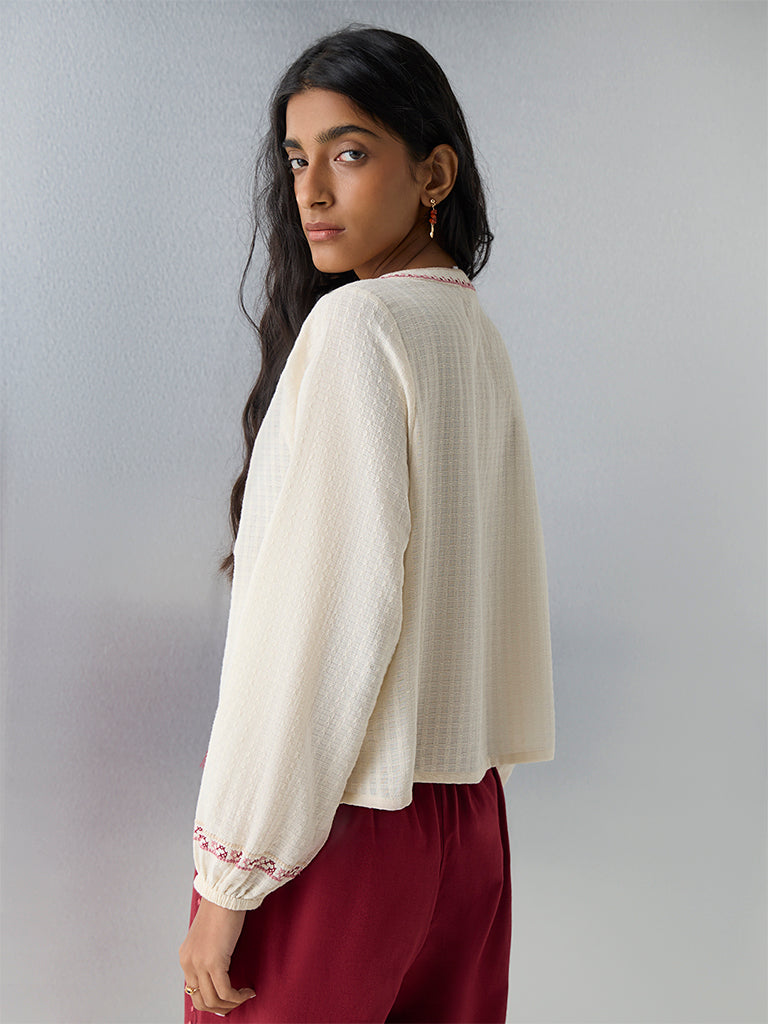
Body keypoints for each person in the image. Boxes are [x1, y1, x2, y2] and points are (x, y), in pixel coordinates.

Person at [179, 24, 555, 1023]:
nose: (310, 191)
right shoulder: (467, 329)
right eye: (296, 158)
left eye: (347, 153)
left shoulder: (358, 328)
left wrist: (229, 883)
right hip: (468, 827)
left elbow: (319, 632)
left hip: (341, 834)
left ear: (434, 172)